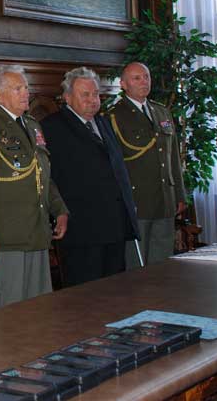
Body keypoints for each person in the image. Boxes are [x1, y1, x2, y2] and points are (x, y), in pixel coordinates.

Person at [40, 67, 138, 287]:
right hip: (81, 229)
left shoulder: (103, 122)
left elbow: (117, 169)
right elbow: (49, 177)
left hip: (114, 225)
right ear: (67, 97)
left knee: (116, 289)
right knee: (85, 294)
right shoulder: (52, 127)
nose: (93, 100)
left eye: (95, 94)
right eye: (85, 95)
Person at [0, 65, 68, 306]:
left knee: (40, 305)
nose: (25, 93)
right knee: (11, 307)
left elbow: (43, 173)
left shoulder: (32, 125)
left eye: (26, 88)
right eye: (17, 88)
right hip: (9, 234)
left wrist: (59, 209)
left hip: (38, 230)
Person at [108, 62, 186, 267]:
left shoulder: (161, 112)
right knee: (137, 264)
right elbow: (113, 165)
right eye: (137, 78)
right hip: (138, 201)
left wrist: (179, 194)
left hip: (165, 198)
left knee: (163, 261)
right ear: (123, 84)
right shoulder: (114, 116)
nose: (144, 81)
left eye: (146, 77)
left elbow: (173, 158)